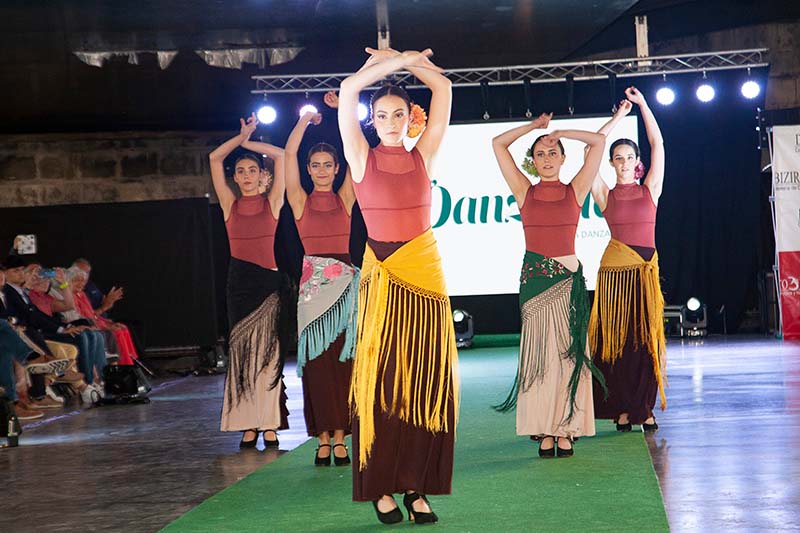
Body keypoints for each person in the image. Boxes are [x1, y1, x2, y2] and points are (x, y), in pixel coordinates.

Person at [338, 47, 458, 525]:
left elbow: (443, 87)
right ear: (371, 120)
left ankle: (417, 486)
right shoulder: (360, 156)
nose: (390, 122)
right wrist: (389, 63)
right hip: (383, 277)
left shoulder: (423, 155)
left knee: (427, 383)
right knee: (383, 383)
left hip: (425, 275)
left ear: (411, 118)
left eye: (399, 114)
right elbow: (349, 89)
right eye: (382, 115)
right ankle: (380, 485)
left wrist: (409, 61)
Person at [491, 112, 606, 458]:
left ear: (563, 158)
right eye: (540, 154)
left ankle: (566, 428)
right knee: (540, 358)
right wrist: (533, 128)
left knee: (569, 357)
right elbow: (498, 144)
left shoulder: (576, 190)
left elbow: (598, 142)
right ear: (533, 161)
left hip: (568, 281)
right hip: (535, 282)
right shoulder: (524, 190)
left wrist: (559, 132)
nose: (547, 158)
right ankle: (543, 427)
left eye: (553, 152)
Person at [258, 93, 357, 467]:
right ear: (309, 169)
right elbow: (288, 154)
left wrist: (340, 113)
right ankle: (322, 437)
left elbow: (356, 150)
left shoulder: (346, 197)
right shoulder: (299, 200)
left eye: (328, 165)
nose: (321, 170)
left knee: (342, 363)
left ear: (336, 168)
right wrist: (305, 120)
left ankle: (341, 436)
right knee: (316, 365)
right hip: (313, 289)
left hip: (344, 285)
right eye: (315, 165)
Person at [588, 87, 667, 432]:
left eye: (628, 157)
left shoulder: (650, 189)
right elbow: (590, 149)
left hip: (645, 276)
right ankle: (621, 408)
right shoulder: (604, 194)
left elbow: (657, 143)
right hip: (616, 278)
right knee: (617, 344)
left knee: (646, 342)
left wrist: (643, 105)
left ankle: (644, 408)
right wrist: (618, 116)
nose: (623, 162)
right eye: (617, 158)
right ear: (611, 162)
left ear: (637, 162)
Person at [209, 113, 289, 449]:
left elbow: (282, 155)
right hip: (239, 284)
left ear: (261, 175)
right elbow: (215, 159)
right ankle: (247, 425)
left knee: (268, 356)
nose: (245, 175)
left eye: (252, 170)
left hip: (267, 284)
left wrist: (250, 142)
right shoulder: (230, 204)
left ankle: (269, 423)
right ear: (235, 178)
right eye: (240, 171)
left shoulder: (273, 202)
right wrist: (239, 138)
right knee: (242, 355)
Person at [67, 267, 139, 365]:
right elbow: (82, 318)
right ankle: (122, 365)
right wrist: (104, 323)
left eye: (83, 281)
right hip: (84, 326)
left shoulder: (82, 294)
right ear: (69, 281)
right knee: (115, 332)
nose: (81, 283)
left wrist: (107, 322)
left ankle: (132, 362)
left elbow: (91, 313)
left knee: (123, 328)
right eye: (77, 280)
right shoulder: (70, 297)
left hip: (96, 322)